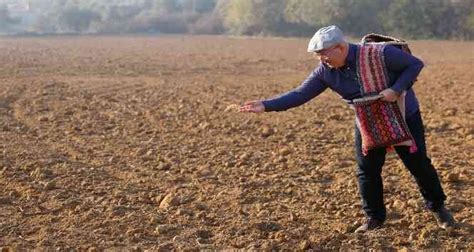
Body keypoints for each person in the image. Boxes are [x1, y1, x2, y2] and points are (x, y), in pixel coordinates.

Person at [239, 25, 455, 233]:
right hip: (368, 120)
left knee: (417, 164)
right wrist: (266, 105)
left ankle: (439, 209)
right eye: (317, 55)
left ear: (341, 48)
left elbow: (414, 65)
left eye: (324, 53)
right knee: (367, 170)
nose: (321, 59)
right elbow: (300, 94)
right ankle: (374, 218)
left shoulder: (382, 53)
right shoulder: (326, 71)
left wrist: (396, 89)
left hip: (403, 115)